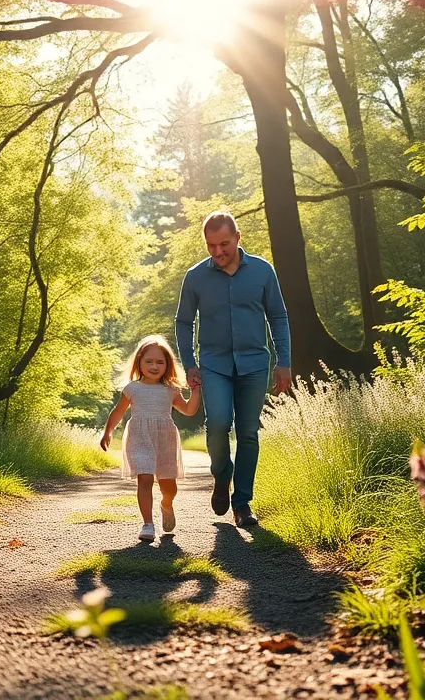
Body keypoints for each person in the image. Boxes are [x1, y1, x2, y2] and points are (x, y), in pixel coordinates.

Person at [174, 211, 292, 527]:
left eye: (223, 244)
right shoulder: (196, 276)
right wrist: (189, 364)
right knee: (217, 424)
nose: (217, 252)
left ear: (238, 238)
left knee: (248, 432)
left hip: (255, 364)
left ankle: (242, 504)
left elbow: (278, 317)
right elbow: (183, 322)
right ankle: (221, 475)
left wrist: (284, 361)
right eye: (211, 245)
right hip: (213, 365)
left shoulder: (263, 272)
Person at [99, 335, 201, 542]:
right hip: (139, 437)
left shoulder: (171, 389)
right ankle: (147, 523)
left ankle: (166, 504)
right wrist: (107, 432)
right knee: (144, 478)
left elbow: (189, 410)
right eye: (149, 361)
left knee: (169, 487)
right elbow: (118, 412)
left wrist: (196, 391)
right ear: (139, 363)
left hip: (165, 439)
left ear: (167, 365)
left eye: (160, 362)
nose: (154, 366)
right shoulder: (132, 389)